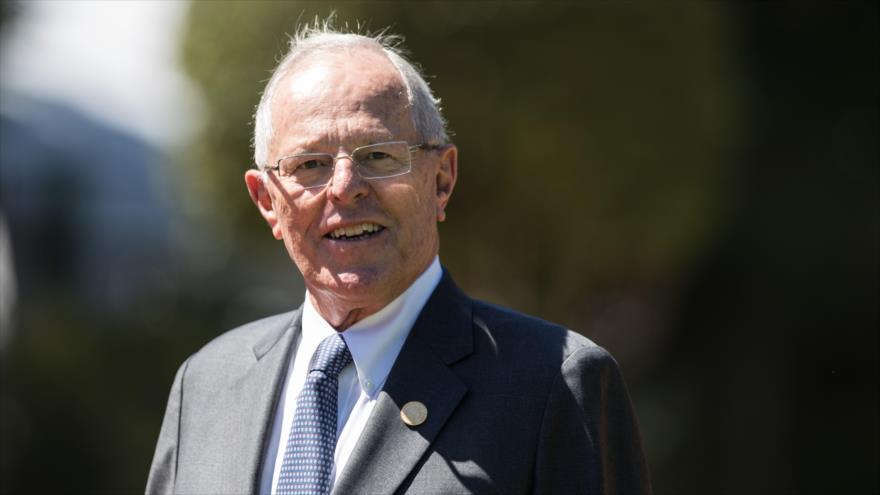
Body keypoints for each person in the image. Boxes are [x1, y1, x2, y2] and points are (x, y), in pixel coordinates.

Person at [147, 21, 650, 495]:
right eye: (311, 164)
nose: (344, 189)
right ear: (266, 202)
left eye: (378, 155)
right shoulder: (207, 382)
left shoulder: (553, 384)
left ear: (441, 181)